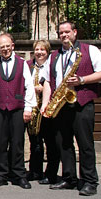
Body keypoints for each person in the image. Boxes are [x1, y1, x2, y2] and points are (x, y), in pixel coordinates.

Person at [41, 21, 101, 196]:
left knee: (85, 144)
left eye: (67, 32)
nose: (64, 35)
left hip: (82, 103)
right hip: (62, 105)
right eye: (61, 33)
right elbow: (48, 80)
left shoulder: (89, 50)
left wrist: (82, 80)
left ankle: (89, 181)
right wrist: (46, 103)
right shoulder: (54, 56)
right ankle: (69, 178)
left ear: (74, 32)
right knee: (64, 144)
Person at [0, 33, 35, 189]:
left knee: (18, 142)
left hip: (18, 108)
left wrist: (28, 107)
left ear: (12, 46)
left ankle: (19, 174)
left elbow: (29, 86)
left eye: (7, 46)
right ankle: (1, 174)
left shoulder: (22, 63)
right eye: (2, 47)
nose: (5, 49)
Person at [26, 40, 60, 185]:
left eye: (42, 50)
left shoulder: (52, 64)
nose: (39, 52)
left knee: (50, 142)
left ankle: (51, 173)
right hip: (33, 108)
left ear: (48, 51)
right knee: (35, 142)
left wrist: (42, 89)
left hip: (48, 108)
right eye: (37, 49)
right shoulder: (28, 65)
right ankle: (35, 171)